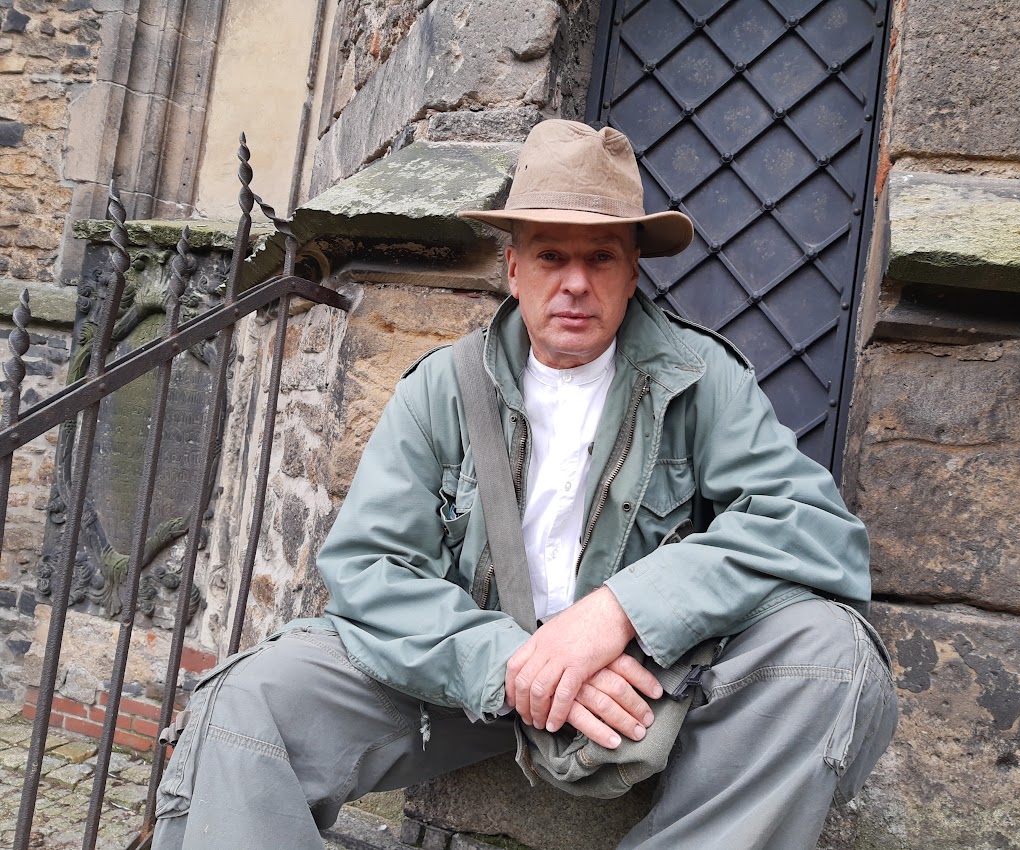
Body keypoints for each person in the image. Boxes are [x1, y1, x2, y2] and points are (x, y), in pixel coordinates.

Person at [152, 119, 897, 850]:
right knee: (247, 703)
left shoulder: (702, 380)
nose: (575, 283)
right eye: (550, 256)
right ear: (514, 269)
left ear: (633, 272)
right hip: (463, 674)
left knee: (829, 653)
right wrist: (511, 664)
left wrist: (620, 613)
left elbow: (811, 527)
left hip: (642, 680)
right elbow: (370, 568)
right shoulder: (442, 388)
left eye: (601, 257)